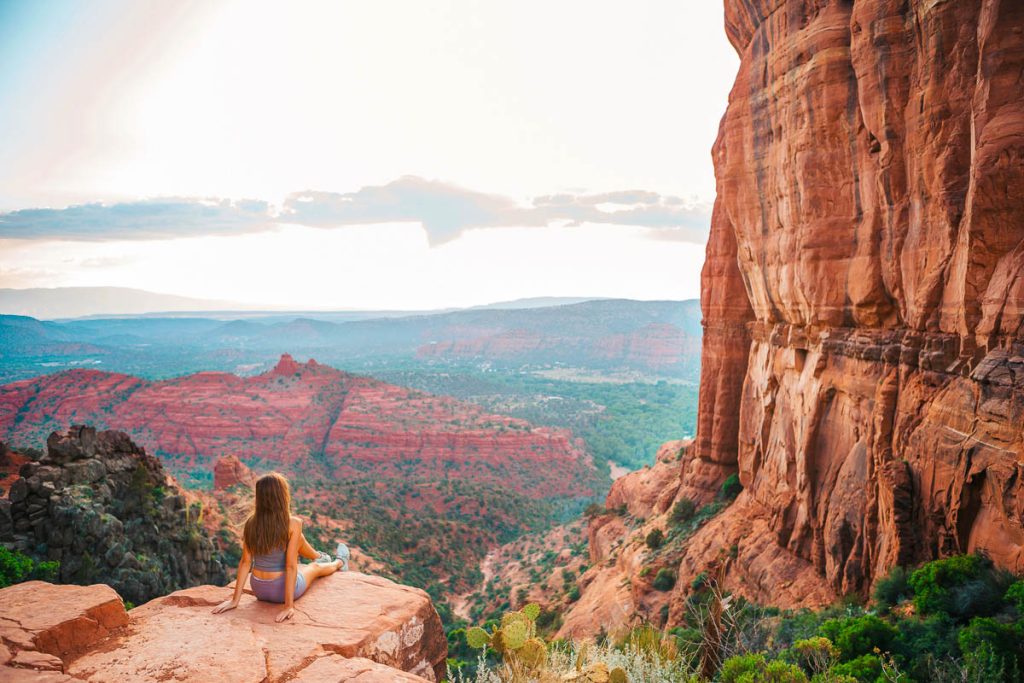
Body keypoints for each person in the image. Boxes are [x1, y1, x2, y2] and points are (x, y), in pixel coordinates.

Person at [212, 472, 347, 622]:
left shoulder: (251, 522)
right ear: (282, 495)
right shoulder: (294, 523)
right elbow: (290, 566)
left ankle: (320, 556)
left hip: (258, 588)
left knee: (298, 539)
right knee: (314, 568)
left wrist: (234, 600)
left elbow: (245, 562)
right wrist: (288, 605)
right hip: (280, 591)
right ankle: (339, 562)